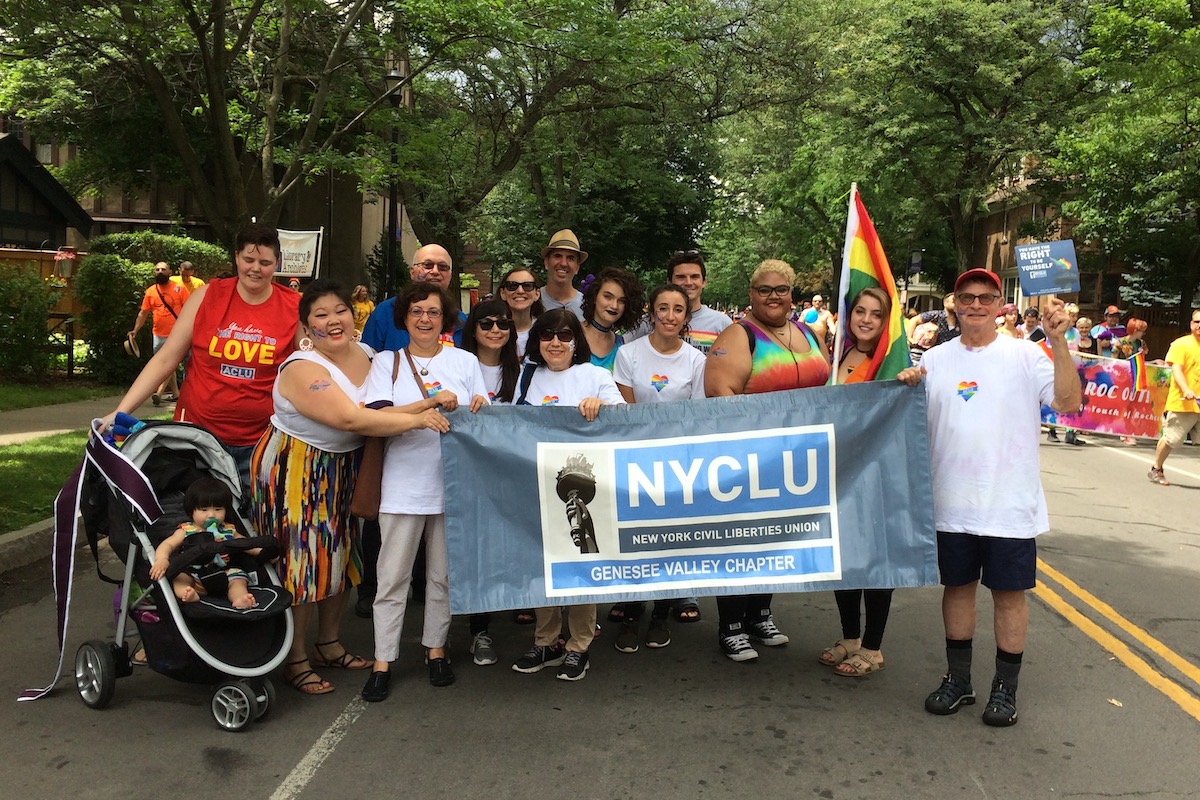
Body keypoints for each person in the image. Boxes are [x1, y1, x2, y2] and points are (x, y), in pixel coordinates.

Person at [897, 268, 1081, 727]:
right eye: (967, 296)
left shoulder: (1025, 355)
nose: (976, 304)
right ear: (953, 303)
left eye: (985, 297)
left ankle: (1005, 688)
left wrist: (1058, 343)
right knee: (956, 590)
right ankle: (959, 680)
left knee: (1008, 596)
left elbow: (1068, 403)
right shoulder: (936, 359)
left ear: (999, 303)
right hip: (951, 503)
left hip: (1008, 504)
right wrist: (906, 385)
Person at [253, 279, 449, 695]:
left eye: (339, 310)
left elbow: (384, 408)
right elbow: (350, 420)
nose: (332, 321)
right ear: (307, 327)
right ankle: (295, 658)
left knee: (340, 555)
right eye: (320, 316)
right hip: (296, 465)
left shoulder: (371, 356)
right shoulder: (302, 368)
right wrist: (420, 418)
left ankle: (329, 643)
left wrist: (429, 403)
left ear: (353, 314)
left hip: (346, 466)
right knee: (303, 562)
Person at [106, 223, 301, 501]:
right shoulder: (206, 296)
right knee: (198, 531)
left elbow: (312, 370)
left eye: (265, 262)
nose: (255, 268)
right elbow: (166, 358)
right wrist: (120, 411)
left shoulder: (295, 306)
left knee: (254, 532)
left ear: (277, 263)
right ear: (236, 258)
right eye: (248, 260)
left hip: (263, 443)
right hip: (198, 440)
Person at [360, 283, 489, 702]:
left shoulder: (465, 361)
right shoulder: (387, 361)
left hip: (452, 483)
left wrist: (470, 407)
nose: (424, 319)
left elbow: (482, 410)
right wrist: (426, 409)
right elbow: (375, 416)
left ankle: (436, 648)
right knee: (392, 578)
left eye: (433, 312)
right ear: (404, 317)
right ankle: (383, 659)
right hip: (402, 485)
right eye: (416, 311)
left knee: (442, 577)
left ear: (445, 318)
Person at [704, 259, 831, 662]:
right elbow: (719, 393)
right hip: (750, 460)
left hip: (799, 460)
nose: (773, 296)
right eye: (764, 290)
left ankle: (760, 614)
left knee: (780, 539)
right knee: (741, 541)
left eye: (781, 289)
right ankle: (731, 626)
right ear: (751, 294)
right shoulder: (740, 335)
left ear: (791, 293)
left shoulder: (809, 332)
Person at [510, 309, 625, 681]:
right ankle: (546, 640)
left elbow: (626, 419)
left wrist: (601, 407)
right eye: (547, 335)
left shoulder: (595, 376)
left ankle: (579, 646)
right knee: (542, 565)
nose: (555, 343)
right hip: (536, 485)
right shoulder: (528, 377)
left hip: (585, 491)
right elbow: (509, 425)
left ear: (576, 340)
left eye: (564, 335)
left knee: (581, 563)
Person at [609, 284, 707, 652]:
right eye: (663, 308)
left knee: (670, 542)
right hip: (636, 462)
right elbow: (626, 412)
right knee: (638, 542)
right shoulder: (629, 354)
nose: (669, 315)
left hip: (678, 464)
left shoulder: (696, 361)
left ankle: (661, 614)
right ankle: (631, 615)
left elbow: (695, 416)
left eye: (677, 309)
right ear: (651, 312)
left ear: (686, 317)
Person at [818, 287, 895, 676]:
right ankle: (850, 637)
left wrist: (909, 378)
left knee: (876, 558)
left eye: (876, 314)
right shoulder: (839, 356)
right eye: (859, 311)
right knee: (844, 557)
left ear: (887, 321)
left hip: (876, 474)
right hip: (840, 470)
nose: (866, 319)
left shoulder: (891, 362)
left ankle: (873, 645)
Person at [459, 299, 522, 665]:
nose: (495, 330)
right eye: (487, 324)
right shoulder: (458, 366)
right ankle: (478, 631)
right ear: (474, 328)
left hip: (511, 471)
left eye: (503, 324)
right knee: (477, 550)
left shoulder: (525, 370)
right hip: (472, 471)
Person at [150, 477, 259, 609]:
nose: (211, 515)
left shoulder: (228, 530)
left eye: (218, 509)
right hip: (194, 575)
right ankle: (188, 594)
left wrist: (263, 551)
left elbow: (245, 544)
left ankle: (240, 598)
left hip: (224, 573)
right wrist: (162, 559)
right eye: (204, 510)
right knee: (179, 578)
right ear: (192, 511)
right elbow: (168, 544)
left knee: (238, 579)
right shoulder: (186, 530)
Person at [361, 244, 467, 350]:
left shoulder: (460, 320)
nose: (435, 271)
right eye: (428, 265)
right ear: (412, 272)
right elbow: (366, 357)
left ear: (450, 275)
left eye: (443, 267)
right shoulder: (385, 312)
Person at [1148, 309, 1200, 486]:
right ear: (1191, 324)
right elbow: (1176, 369)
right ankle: (1157, 468)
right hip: (1183, 402)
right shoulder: (1181, 344)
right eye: (1197, 322)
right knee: (1172, 439)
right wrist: (1186, 389)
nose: (1199, 326)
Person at [128, 262, 190, 405]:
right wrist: (135, 330)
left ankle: (159, 392)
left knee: (169, 363)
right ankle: (176, 393)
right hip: (157, 334)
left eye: (163, 269)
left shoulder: (180, 289)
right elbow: (143, 313)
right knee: (167, 365)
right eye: (157, 270)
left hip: (176, 334)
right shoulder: (151, 291)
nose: (160, 272)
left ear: (170, 272)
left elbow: (189, 310)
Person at [581, 266, 643, 372]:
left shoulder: (623, 346)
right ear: (595, 296)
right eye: (607, 297)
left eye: (621, 301)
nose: (614, 305)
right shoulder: (570, 335)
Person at [497, 266, 545, 359]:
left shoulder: (547, 331)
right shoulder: (490, 331)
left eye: (527, 286)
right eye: (512, 286)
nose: (520, 291)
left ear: (537, 294)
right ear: (502, 293)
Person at [539, 229, 587, 319]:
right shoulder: (532, 301)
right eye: (557, 256)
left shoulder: (587, 306)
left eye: (570, 258)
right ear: (546, 262)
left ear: (577, 267)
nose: (563, 263)